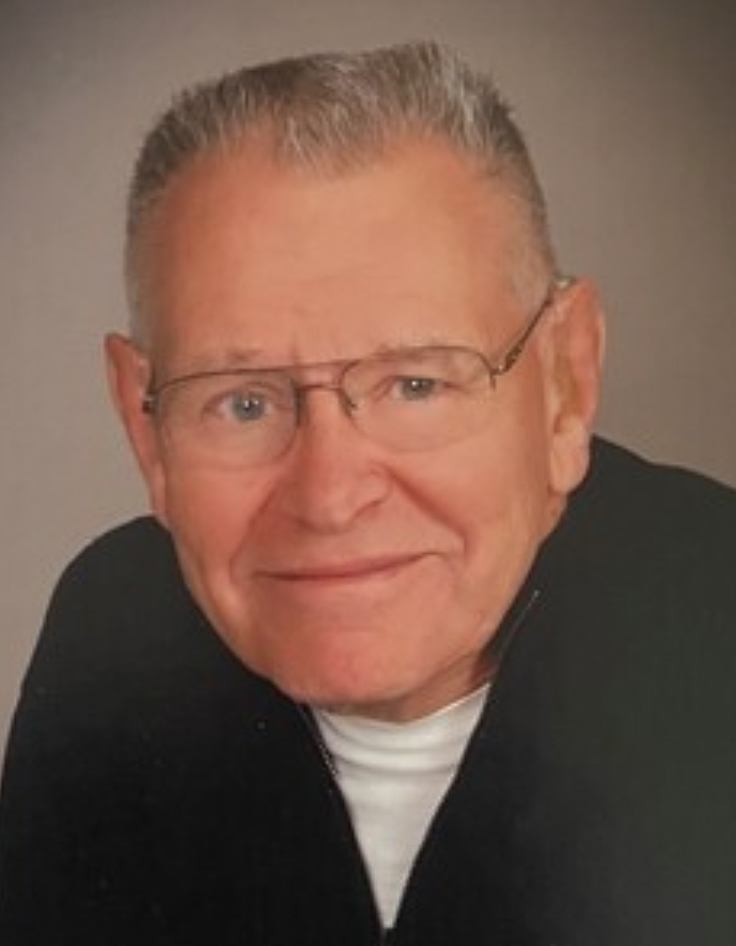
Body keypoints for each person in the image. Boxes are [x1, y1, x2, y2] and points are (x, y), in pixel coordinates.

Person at [1, 41, 735, 946]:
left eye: (417, 385)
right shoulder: (109, 633)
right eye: (243, 402)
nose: (330, 495)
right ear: (144, 425)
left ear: (565, 387)